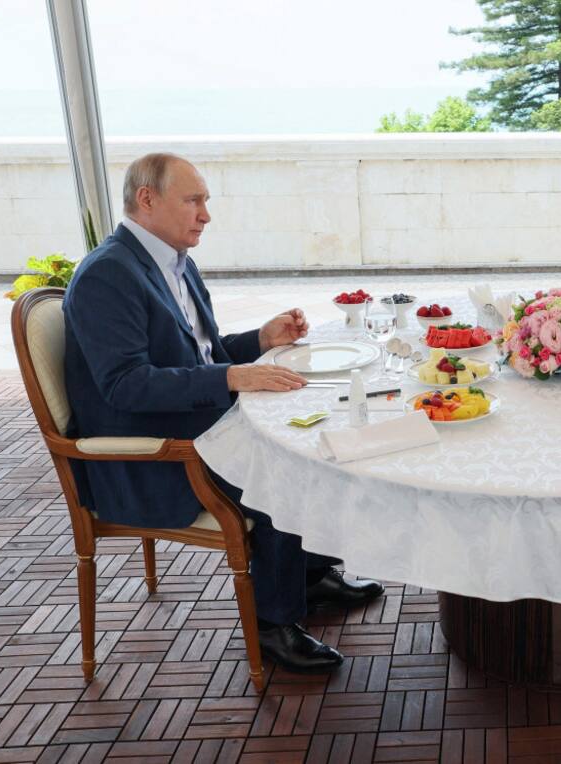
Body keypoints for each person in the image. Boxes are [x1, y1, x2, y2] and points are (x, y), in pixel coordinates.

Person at [63, 152, 382, 673]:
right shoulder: (108, 275)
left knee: (316, 435)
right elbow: (125, 386)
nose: (205, 214)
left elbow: (200, 357)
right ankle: (272, 625)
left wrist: (259, 340)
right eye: (193, 200)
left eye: (204, 200)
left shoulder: (171, 262)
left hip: (195, 427)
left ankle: (308, 574)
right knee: (287, 466)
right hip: (151, 459)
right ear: (147, 200)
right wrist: (233, 377)